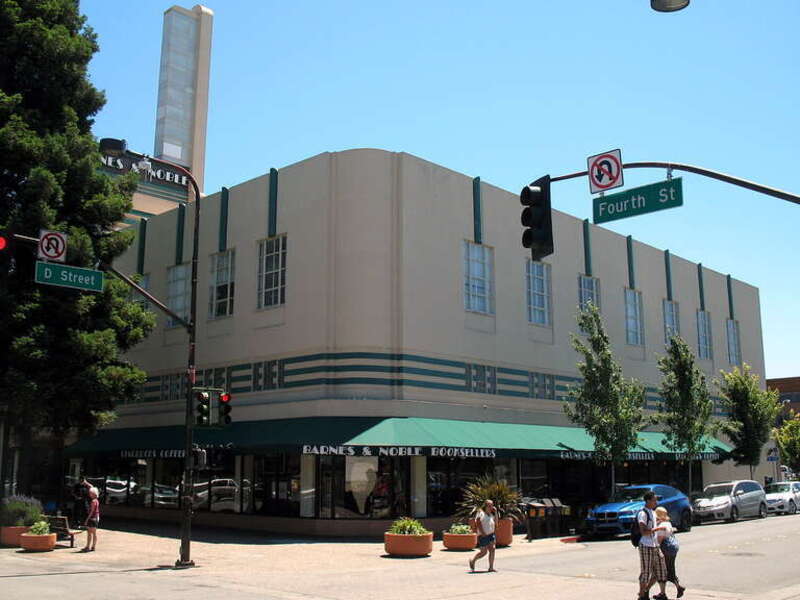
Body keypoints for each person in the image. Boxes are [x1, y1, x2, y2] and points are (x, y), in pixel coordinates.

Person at [636, 491, 668, 600]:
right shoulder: (643, 513)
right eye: (654, 500)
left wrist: (660, 523)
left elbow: (652, 526)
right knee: (646, 572)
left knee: (661, 569)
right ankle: (642, 596)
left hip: (655, 545)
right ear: (648, 501)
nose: (656, 502)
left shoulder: (653, 513)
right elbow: (644, 532)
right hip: (646, 545)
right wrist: (658, 528)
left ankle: (658, 593)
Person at [654, 506, 686, 598]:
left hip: (666, 549)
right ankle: (677, 587)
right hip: (673, 547)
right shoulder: (668, 523)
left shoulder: (661, 527)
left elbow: (659, 541)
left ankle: (670, 590)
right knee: (670, 568)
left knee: (664, 570)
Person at [469, 499, 497, 573]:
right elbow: (478, 523)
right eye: (489, 506)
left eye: (492, 505)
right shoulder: (480, 513)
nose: (491, 507)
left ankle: (491, 567)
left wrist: (496, 512)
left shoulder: (491, 515)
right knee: (483, 552)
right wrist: (482, 532)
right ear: (486, 506)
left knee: (492, 549)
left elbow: (496, 523)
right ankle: (473, 560)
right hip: (483, 535)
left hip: (491, 534)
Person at [81, 487, 100, 552]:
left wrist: (87, 520)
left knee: (89, 533)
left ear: (94, 493)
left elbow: (91, 512)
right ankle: (93, 546)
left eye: (91, 493)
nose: (89, 494)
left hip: (92, 518)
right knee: (94, 533)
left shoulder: (93, 501)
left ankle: (87, 547)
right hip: (96, 518)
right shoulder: (97, 501)